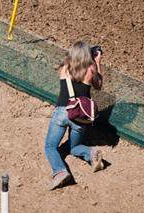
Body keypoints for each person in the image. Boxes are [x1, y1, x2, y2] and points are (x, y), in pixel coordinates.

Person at [44, 41, 105, 190]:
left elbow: (68, 60)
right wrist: (97, 62)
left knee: (50, 147)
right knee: (74, 147)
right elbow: (99, 85)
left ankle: (60, 172)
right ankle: (91, 153)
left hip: (62, 112)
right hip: (80, 116)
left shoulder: (65, 67)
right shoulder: (91, 69)